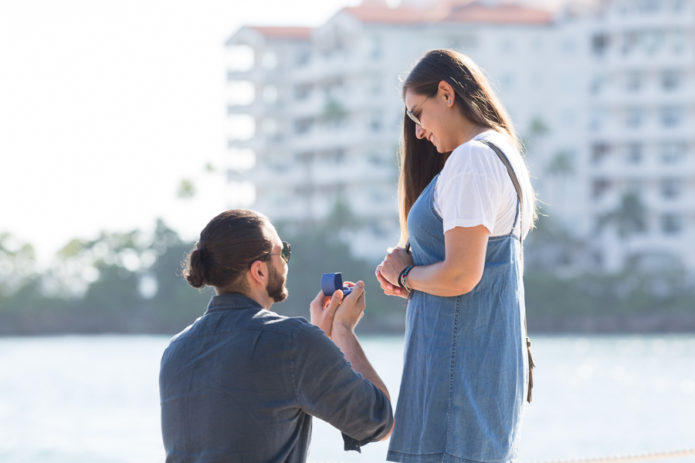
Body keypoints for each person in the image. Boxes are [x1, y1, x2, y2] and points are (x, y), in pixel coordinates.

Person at [375, 49, 536, 463]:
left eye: (418, 113)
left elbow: (463, 276)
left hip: (456, 378)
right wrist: (414, 278)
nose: (417, 132)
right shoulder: (499, 153)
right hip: (474, 370)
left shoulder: (472, 159)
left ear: (446, 93)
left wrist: (407, 274)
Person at [159, 209, 393, 463]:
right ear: (259, 271)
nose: (286, 262)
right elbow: (379, 422)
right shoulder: (294, 342)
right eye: (283, 253)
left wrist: (319, 340)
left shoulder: (176, 350)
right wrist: (343, 330)